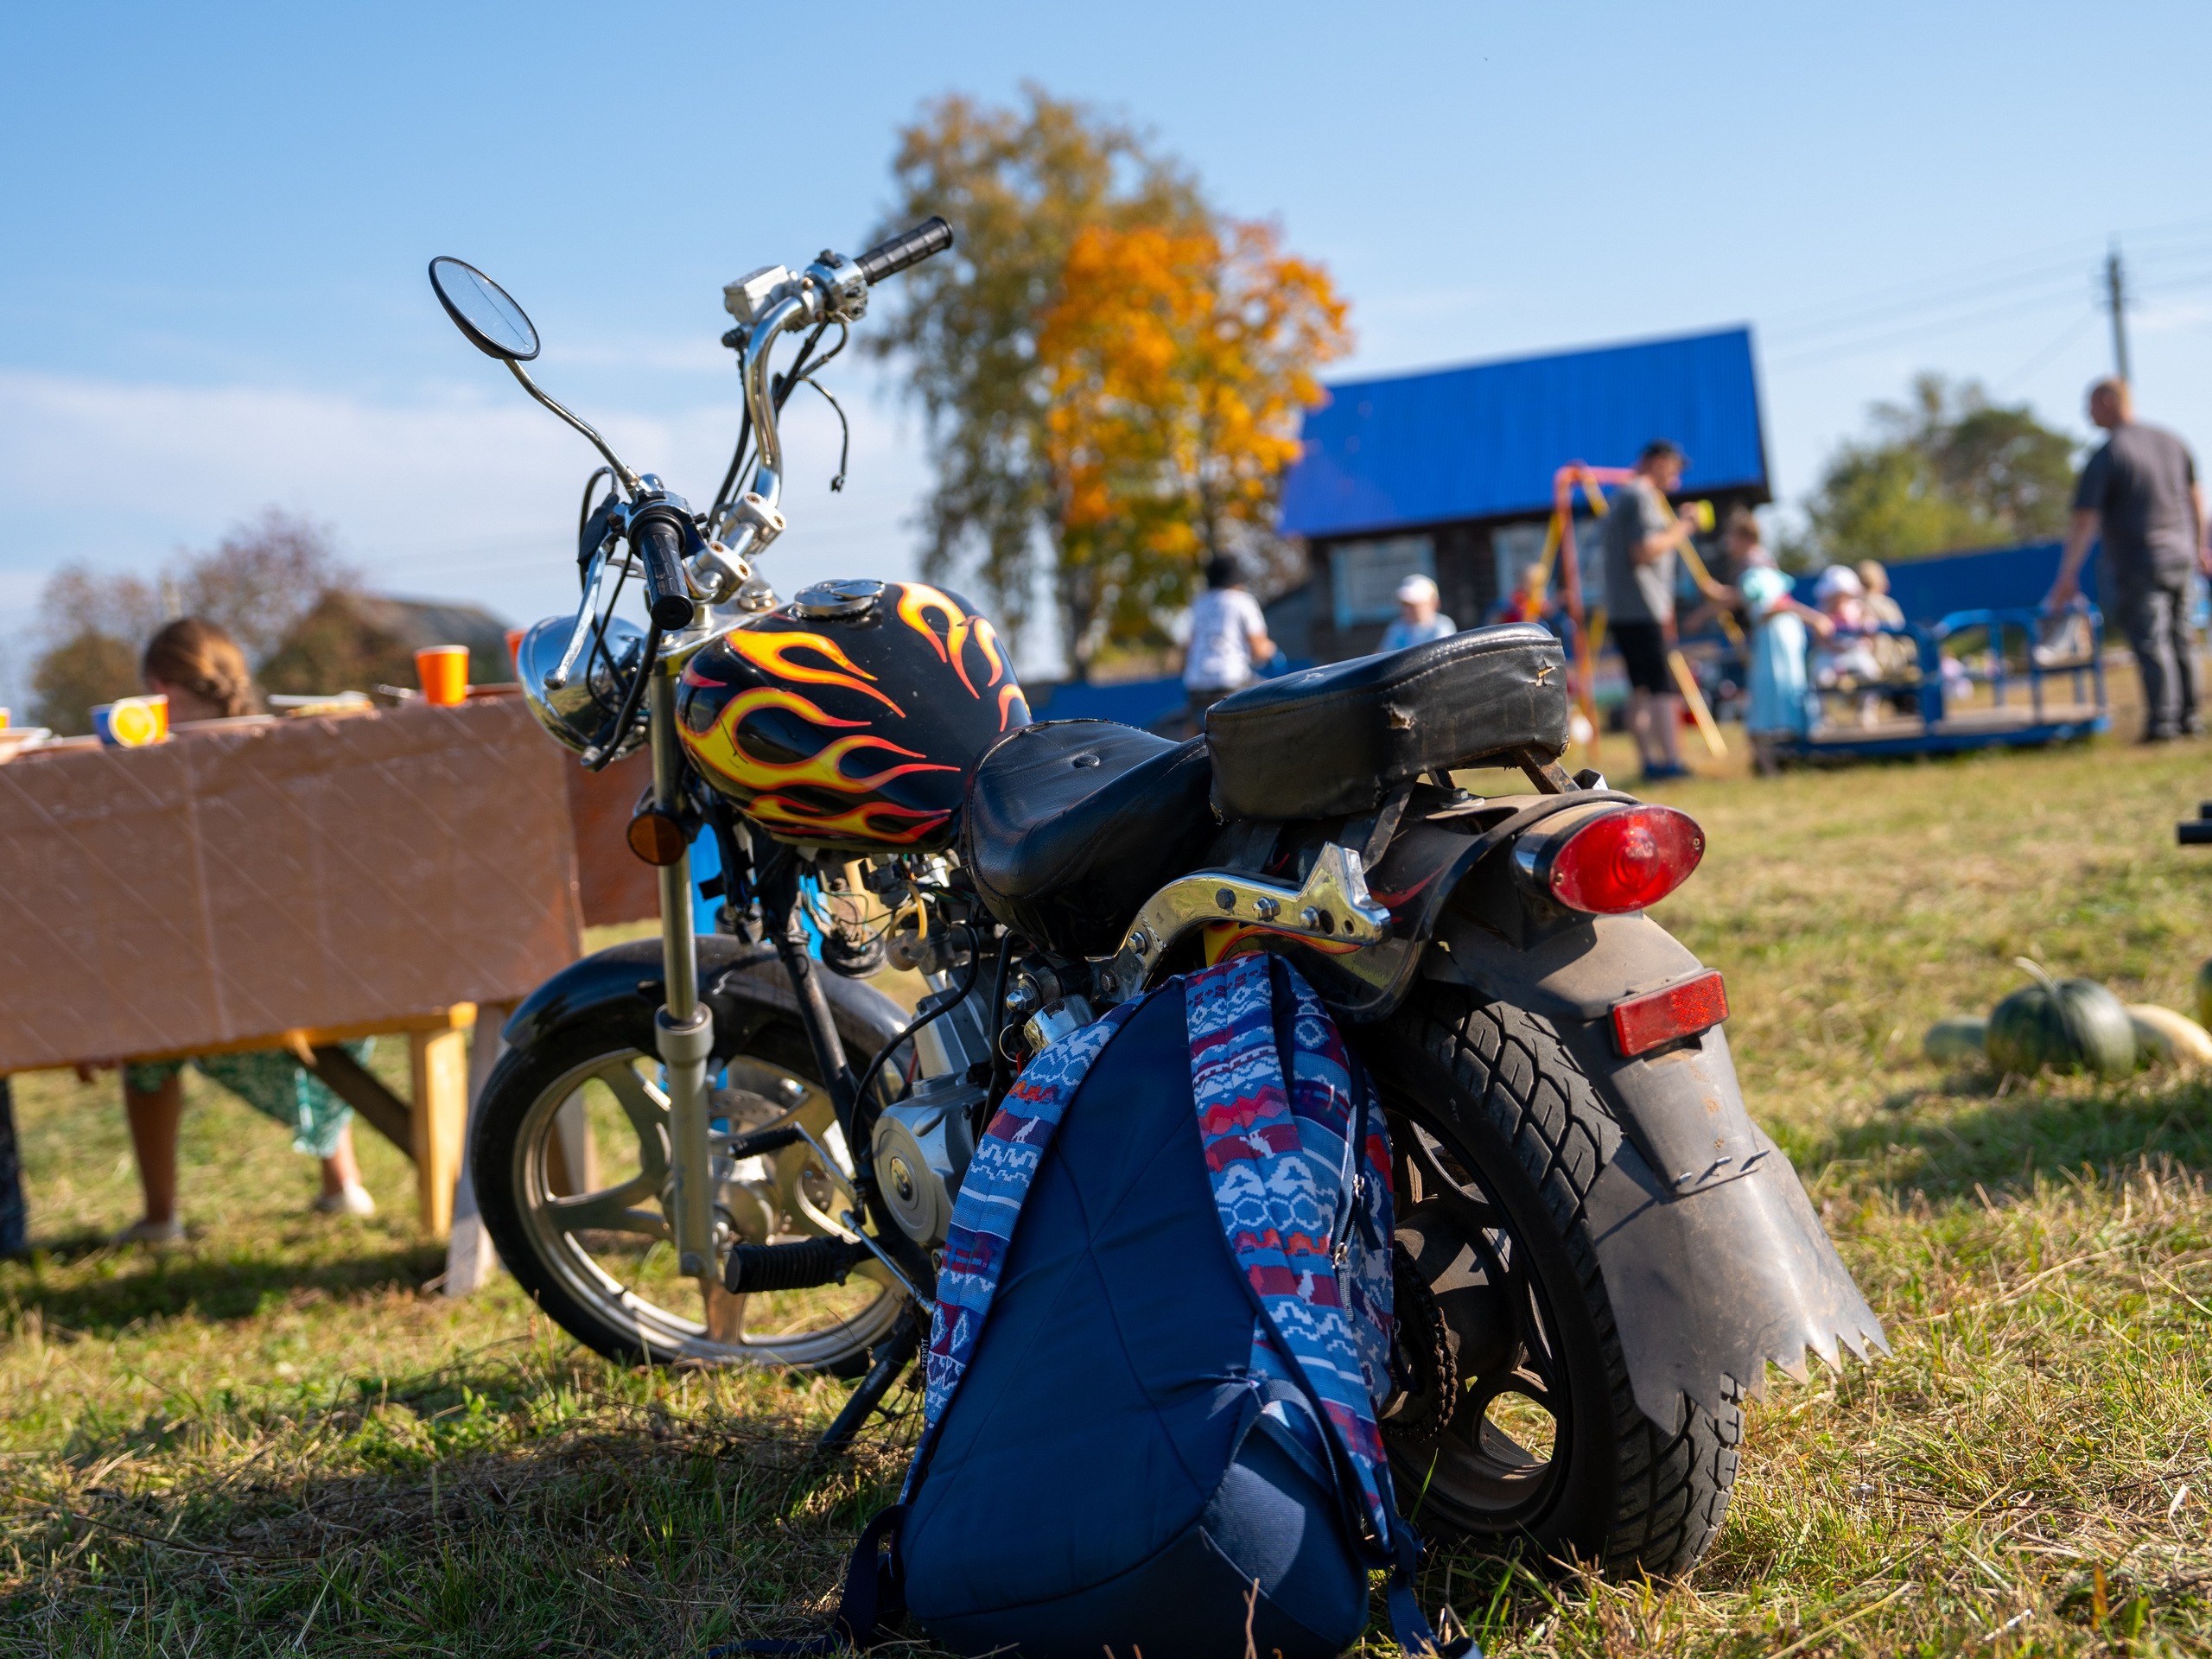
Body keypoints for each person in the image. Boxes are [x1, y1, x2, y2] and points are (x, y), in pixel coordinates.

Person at [113, 619, 375, 1244]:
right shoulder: (280, 747)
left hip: (213, 991)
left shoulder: (156, 770)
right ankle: (342, 1184)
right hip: (329, 978)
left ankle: (160, 1217)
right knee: (295, 994)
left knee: (143, 1027)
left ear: (157, 686)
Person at [2044, 378, 2210, 741]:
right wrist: (2199, 549)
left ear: (2108, 401)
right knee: (2183, 638)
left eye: (2090, 404)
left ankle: (2163, 725)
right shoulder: (2172, 441)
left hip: (2140, 560)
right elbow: (2196, 499)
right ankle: (2190, 720)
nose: (2086, 413)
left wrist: (2067, 574)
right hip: (2181, 557)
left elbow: (2085, 520)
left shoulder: (2109, 454)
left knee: (2153, 642)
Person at [1689, 511, 1834, 775]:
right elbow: (1746, 597)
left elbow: (1769, 603)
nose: (1727, 546)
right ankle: (1777, 759)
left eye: (1730, 538)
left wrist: (1814, 618)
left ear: (1744, 537)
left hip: (1772, 638)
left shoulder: (1753, 564)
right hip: (1777, 635)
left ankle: (1769, 764)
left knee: (1767, 697)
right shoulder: (1760, 562)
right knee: (1782, 692)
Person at [1601, 439, 1703, 780]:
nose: (1677, 477)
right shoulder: (1642, 495)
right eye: (1674, 468)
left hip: (1621, 608)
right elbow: (1644, 551)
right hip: (1644, 607)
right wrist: (1685, 526)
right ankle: (1671, 762)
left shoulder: (1622, 496)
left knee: (1640, 689)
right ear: (1658, 461)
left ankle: (1649, 762)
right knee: (1661, 688)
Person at [1182, 554, 1274, 721]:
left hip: (1195, 685)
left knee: (1197, 730)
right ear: (1237, 580)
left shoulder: (1199, 603)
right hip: (1231, 682)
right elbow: (1260, 650)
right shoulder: (1242, 601)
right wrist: (1270, 649)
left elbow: (1190, 645)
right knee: (1272, 695)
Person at [1380, 574, 1456, 651]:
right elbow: (1382, 654)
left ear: (1434, 604)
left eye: (1414, 605)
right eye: (1405, 604)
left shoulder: (1442, 625)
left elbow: (1441, 655)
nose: (1407, 609)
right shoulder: (1397, 627)